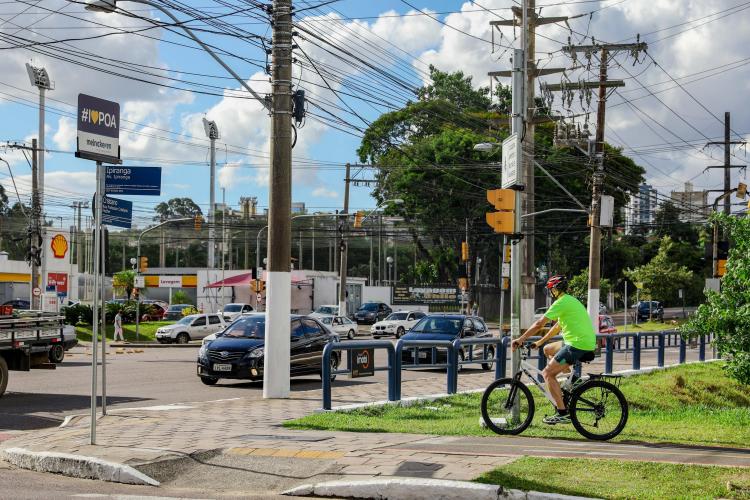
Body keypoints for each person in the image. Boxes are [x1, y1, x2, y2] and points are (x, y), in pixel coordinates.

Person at [511, 275, 596, 424]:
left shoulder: (561, 303)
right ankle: (573, 380)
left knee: (547, 374)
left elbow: (539, 324)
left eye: (551, 289)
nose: (550, 292)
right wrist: (540, 342)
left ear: (556, 289)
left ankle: (562, 413)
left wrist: (520, 339)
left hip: (576, 345)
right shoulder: (570, 301)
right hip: (579, 342)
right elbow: (557, 327)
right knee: (547, 349)